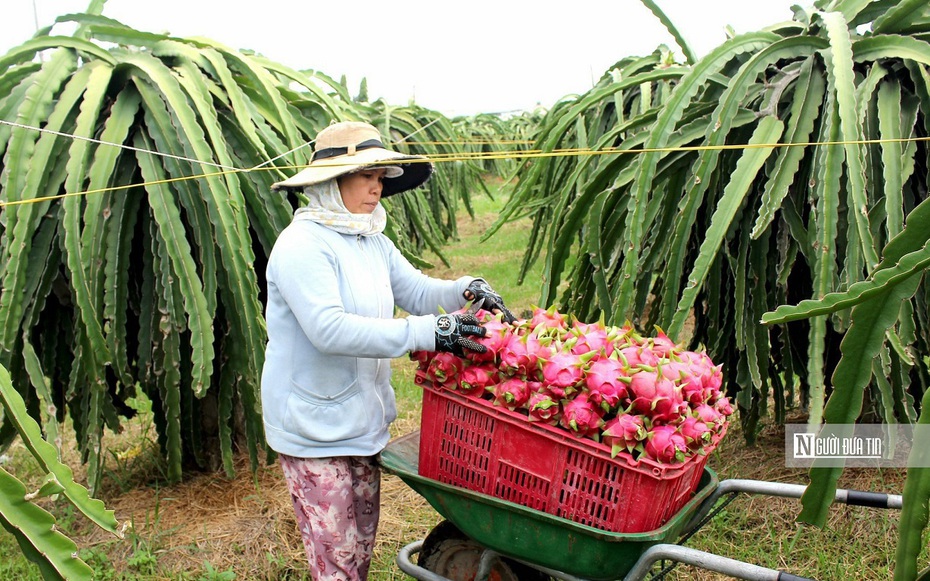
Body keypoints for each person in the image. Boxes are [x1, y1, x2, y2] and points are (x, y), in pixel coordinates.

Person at [261, 121, 516, 581]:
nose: (377, 187)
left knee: (358, 546)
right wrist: (430, 332)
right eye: (366, 176)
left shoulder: (370, 239)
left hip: (362, 422)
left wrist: (466, 288)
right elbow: (329, 329)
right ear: (329, 181)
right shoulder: (302, 245)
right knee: (335, 560)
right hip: (314, 428)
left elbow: (416, 290)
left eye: (381, 177)